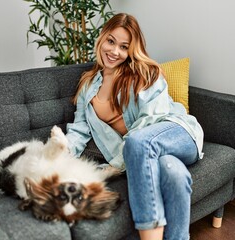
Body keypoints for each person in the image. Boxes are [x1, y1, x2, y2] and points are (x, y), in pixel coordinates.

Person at [65, 13, 204, 240]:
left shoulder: (145, 73)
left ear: (131, 50)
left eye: (123, 46)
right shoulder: (88, 85)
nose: (115, 51)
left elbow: (149, 122)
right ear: (101, 38)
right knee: (172, 171)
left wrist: (117, 164)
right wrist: (59, 155)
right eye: (111, 41)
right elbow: (79, 130)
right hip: (148, 152)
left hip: (178, 133)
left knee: (137, 141)